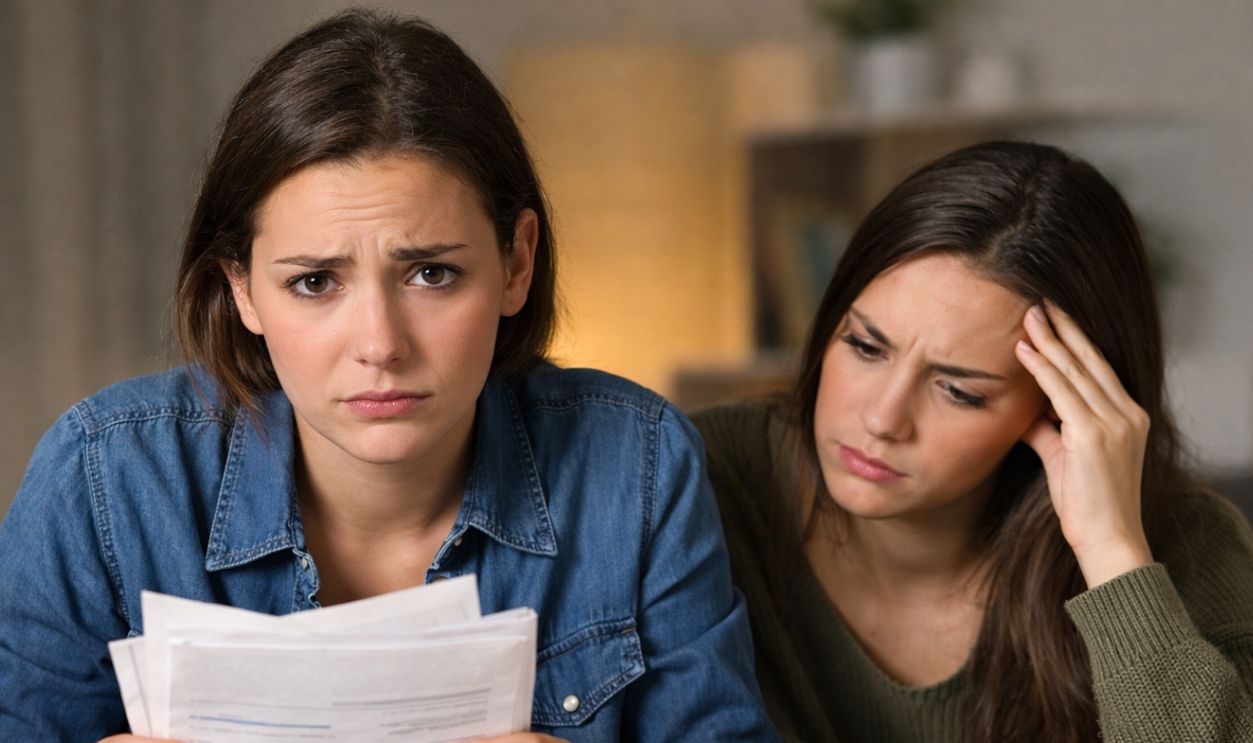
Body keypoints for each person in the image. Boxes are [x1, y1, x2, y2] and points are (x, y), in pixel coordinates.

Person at [0, 10, 775, 742]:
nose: (380, 344)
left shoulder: (636, 463)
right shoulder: (103, 475)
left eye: (432, 273)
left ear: (516, 261)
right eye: (314, 282)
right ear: (241, 289)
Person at [694, 140, 1253, 742]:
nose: (883, 419)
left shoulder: (1184, 544)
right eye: (865, 346)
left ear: (1063, 409)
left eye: (959, 391)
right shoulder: (692, 478)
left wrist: (1112, 555)